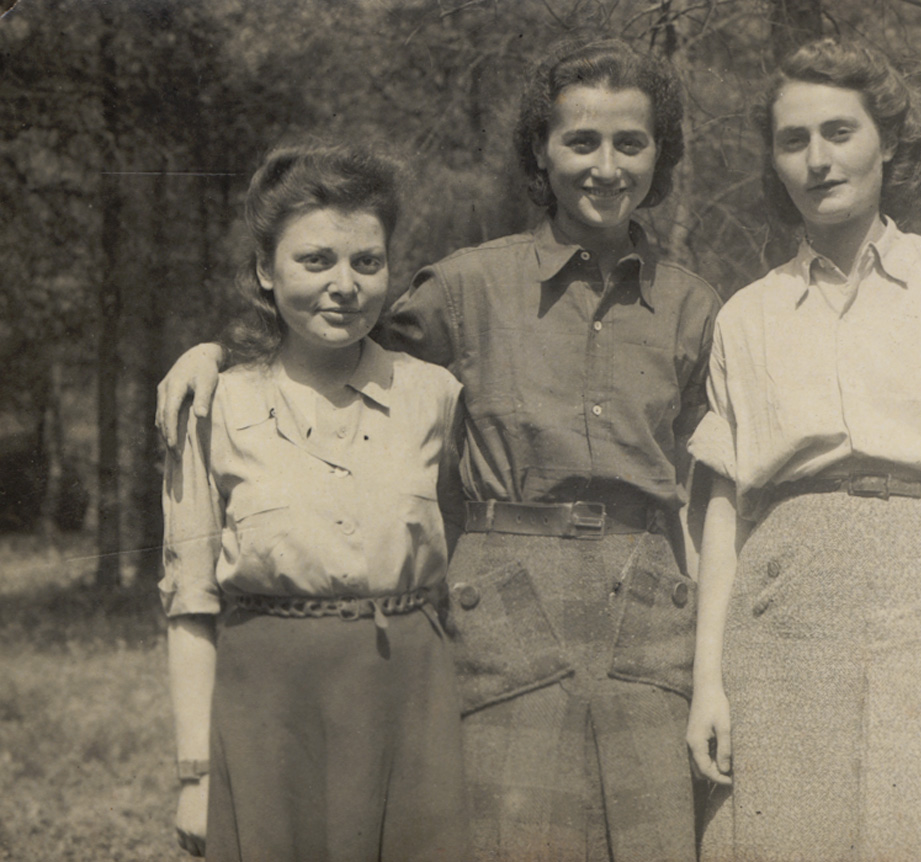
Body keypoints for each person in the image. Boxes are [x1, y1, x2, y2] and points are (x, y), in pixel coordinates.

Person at [158, 38, 723, 862]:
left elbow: (718, 476)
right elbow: (329, 333)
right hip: (506, 614)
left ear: (658, 153)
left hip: (647, 615)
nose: (606, 166)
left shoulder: (694, 306)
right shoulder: (465, 286)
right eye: (580, 141)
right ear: (540, 150)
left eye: (630, 143)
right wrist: (211, 352)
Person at [684, 38, 921, 862]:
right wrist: (707, 681)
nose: (819, 161)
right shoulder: (747, 316)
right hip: (784, 607)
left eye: (840, 132)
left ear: (886, 141)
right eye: (794, 141)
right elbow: (723, 509)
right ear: (776, 162)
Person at [161, 141, 467, 861]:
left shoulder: (436, 397)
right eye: (314, 260)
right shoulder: (210, 405)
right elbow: (190, 607)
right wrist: (194, 776)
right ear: (266, 270)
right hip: (267, 712)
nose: (344, 285)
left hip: (408, 705)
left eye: (367, 262)